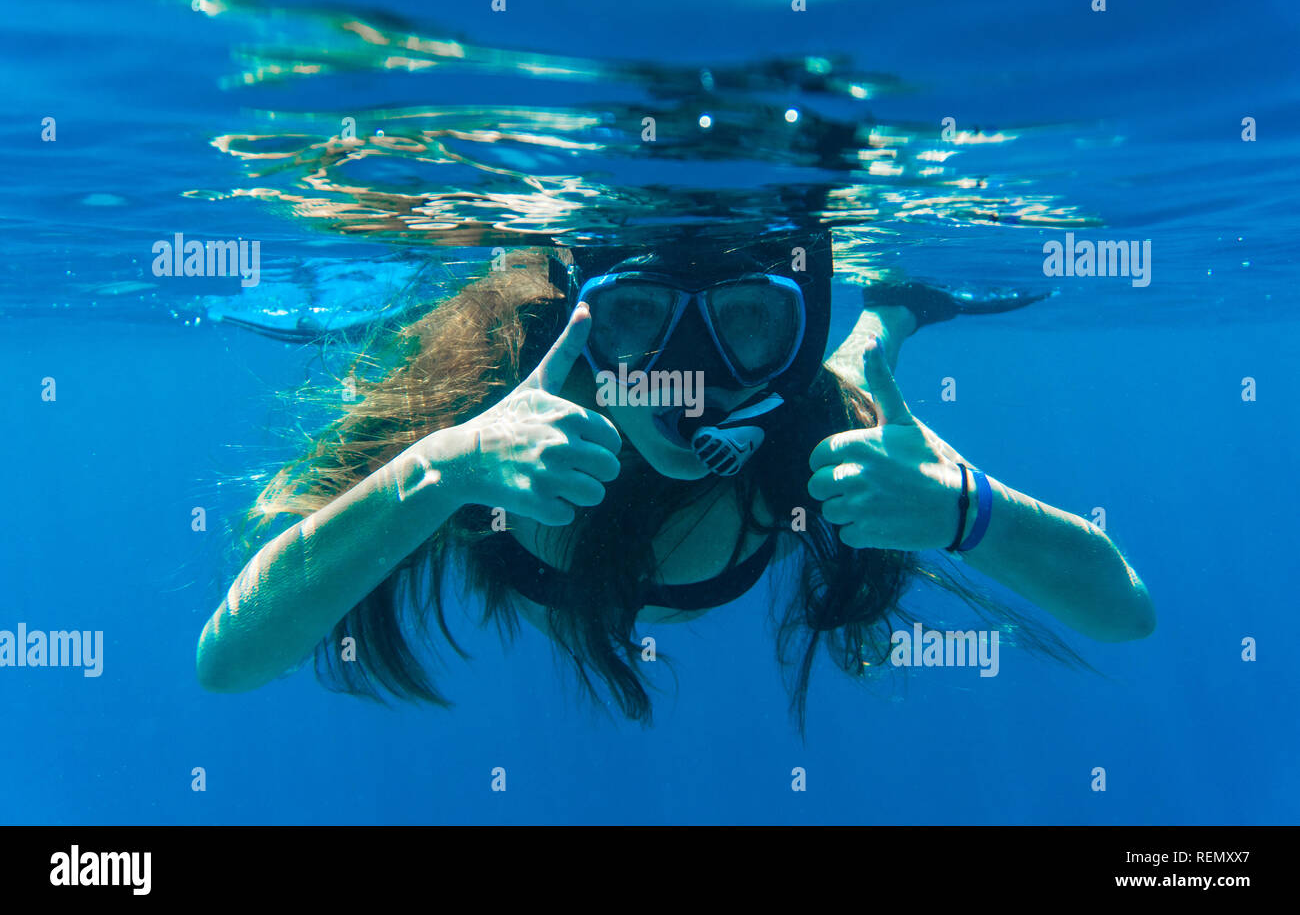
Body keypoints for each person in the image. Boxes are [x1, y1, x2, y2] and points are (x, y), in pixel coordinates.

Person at [195, 228, 1153, 730]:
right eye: (639, 316)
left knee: (854, 388)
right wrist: (443, 467)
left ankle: (882, 322)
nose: (685, 375)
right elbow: (225, 660)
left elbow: (1124, 609)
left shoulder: (813, 431)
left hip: (807, 416)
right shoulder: (486, 398)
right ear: (589, 320)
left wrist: (960, 511)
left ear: (791, 332)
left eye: (747, 320)